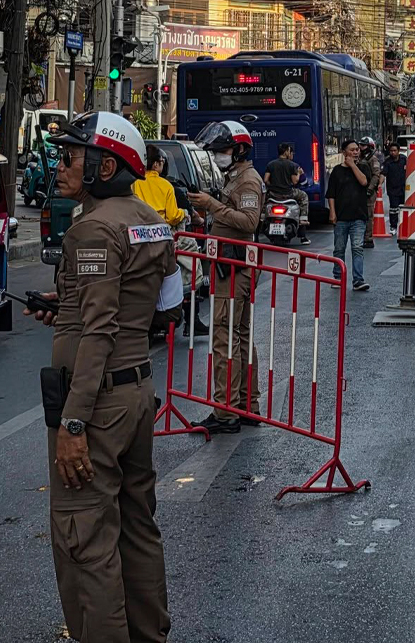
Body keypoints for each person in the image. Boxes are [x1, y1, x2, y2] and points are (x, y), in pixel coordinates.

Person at [33, 111, 180, 643]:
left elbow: (97, 331)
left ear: (104, 165)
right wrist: (65, 306)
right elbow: (160, 306)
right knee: (137, 529)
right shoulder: (151, 223)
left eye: (72, 157)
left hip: (95, 403)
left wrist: (73, 423)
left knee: (85, 539)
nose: (62, 166)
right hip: (135, 392)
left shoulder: (92, 230)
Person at [187, 121, 264, 435]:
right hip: (230, 266)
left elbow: (248, 221)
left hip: (233, 270)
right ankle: (246, 406)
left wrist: (213, 206)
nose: (218, 155)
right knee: (239, 336)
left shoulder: (247, 181)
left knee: (225, 337)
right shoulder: (234, 178)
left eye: (223, 150)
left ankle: (226, 411)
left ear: (240, 150)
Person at [327, 138, 370, 291]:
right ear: (344, 152)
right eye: (352, 150)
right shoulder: (337, 171)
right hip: (341, 217)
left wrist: (353, 165)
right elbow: (331, 194)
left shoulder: (363, 167)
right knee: (339, 248)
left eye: (357, 149)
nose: (355, 152)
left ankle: (358, 280)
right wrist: (332, 212)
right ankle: (338, 277)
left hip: (359, 216)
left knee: (357, 248)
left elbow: (364, 182)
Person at [263, 143, 311, 246]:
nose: (290, 153)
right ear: (286, 152)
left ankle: (262, 216)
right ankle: (303, 219)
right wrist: (299, 173)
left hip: (274, 195)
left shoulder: (271, 164)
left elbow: (266, 180)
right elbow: (295, 181)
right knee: (304, 196)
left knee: (263, 198)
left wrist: (273, 186)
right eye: (289, 151)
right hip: (288, 194)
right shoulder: (292, 165)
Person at [132, 146, 187, 231]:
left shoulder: (134, 182)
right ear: (155, 164)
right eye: (162, 161)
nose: (163, 164)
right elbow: (172, 217)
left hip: (138, 230)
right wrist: (183, 213)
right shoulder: (166, 185)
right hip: (160, 232)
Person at [359, 137, 382, 249]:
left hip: (368, 192)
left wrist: (370, 189)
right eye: (361, 145)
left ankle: (368, 239)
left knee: (368, 216)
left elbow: (376, 175)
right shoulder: (360, 158)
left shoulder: (373, 159)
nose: (361, 147)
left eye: (363, 146)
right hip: (359, 191)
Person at [380, 142, 407, 234]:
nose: (393, 152)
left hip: (404, 189)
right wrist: (379, 184)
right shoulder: (387, 162)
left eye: (394, 150)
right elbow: (383, 174)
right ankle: (393, 227)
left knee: (404, 209)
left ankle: (405, 227)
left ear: (398, 151)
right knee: (393, 209)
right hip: (393, 189)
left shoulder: (404, 159)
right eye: (391, 151)